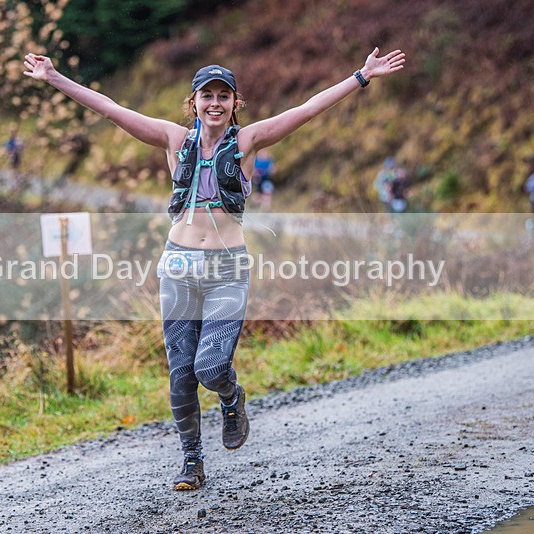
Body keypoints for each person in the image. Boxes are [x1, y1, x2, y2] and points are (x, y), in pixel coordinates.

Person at [23, 46, 405, 491]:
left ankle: (231, 395)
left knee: (210, 367)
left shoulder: (247, 142)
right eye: (207, 96)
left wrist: (360, 76)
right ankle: (191, 461)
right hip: (178, 267)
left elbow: (307, 109)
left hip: (227, 268)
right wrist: (54, 78)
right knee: (181, 372)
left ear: (234, 103)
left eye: (224, 95)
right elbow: (111, 108)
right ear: (194, 102)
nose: (215, 103)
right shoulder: (173, 139)